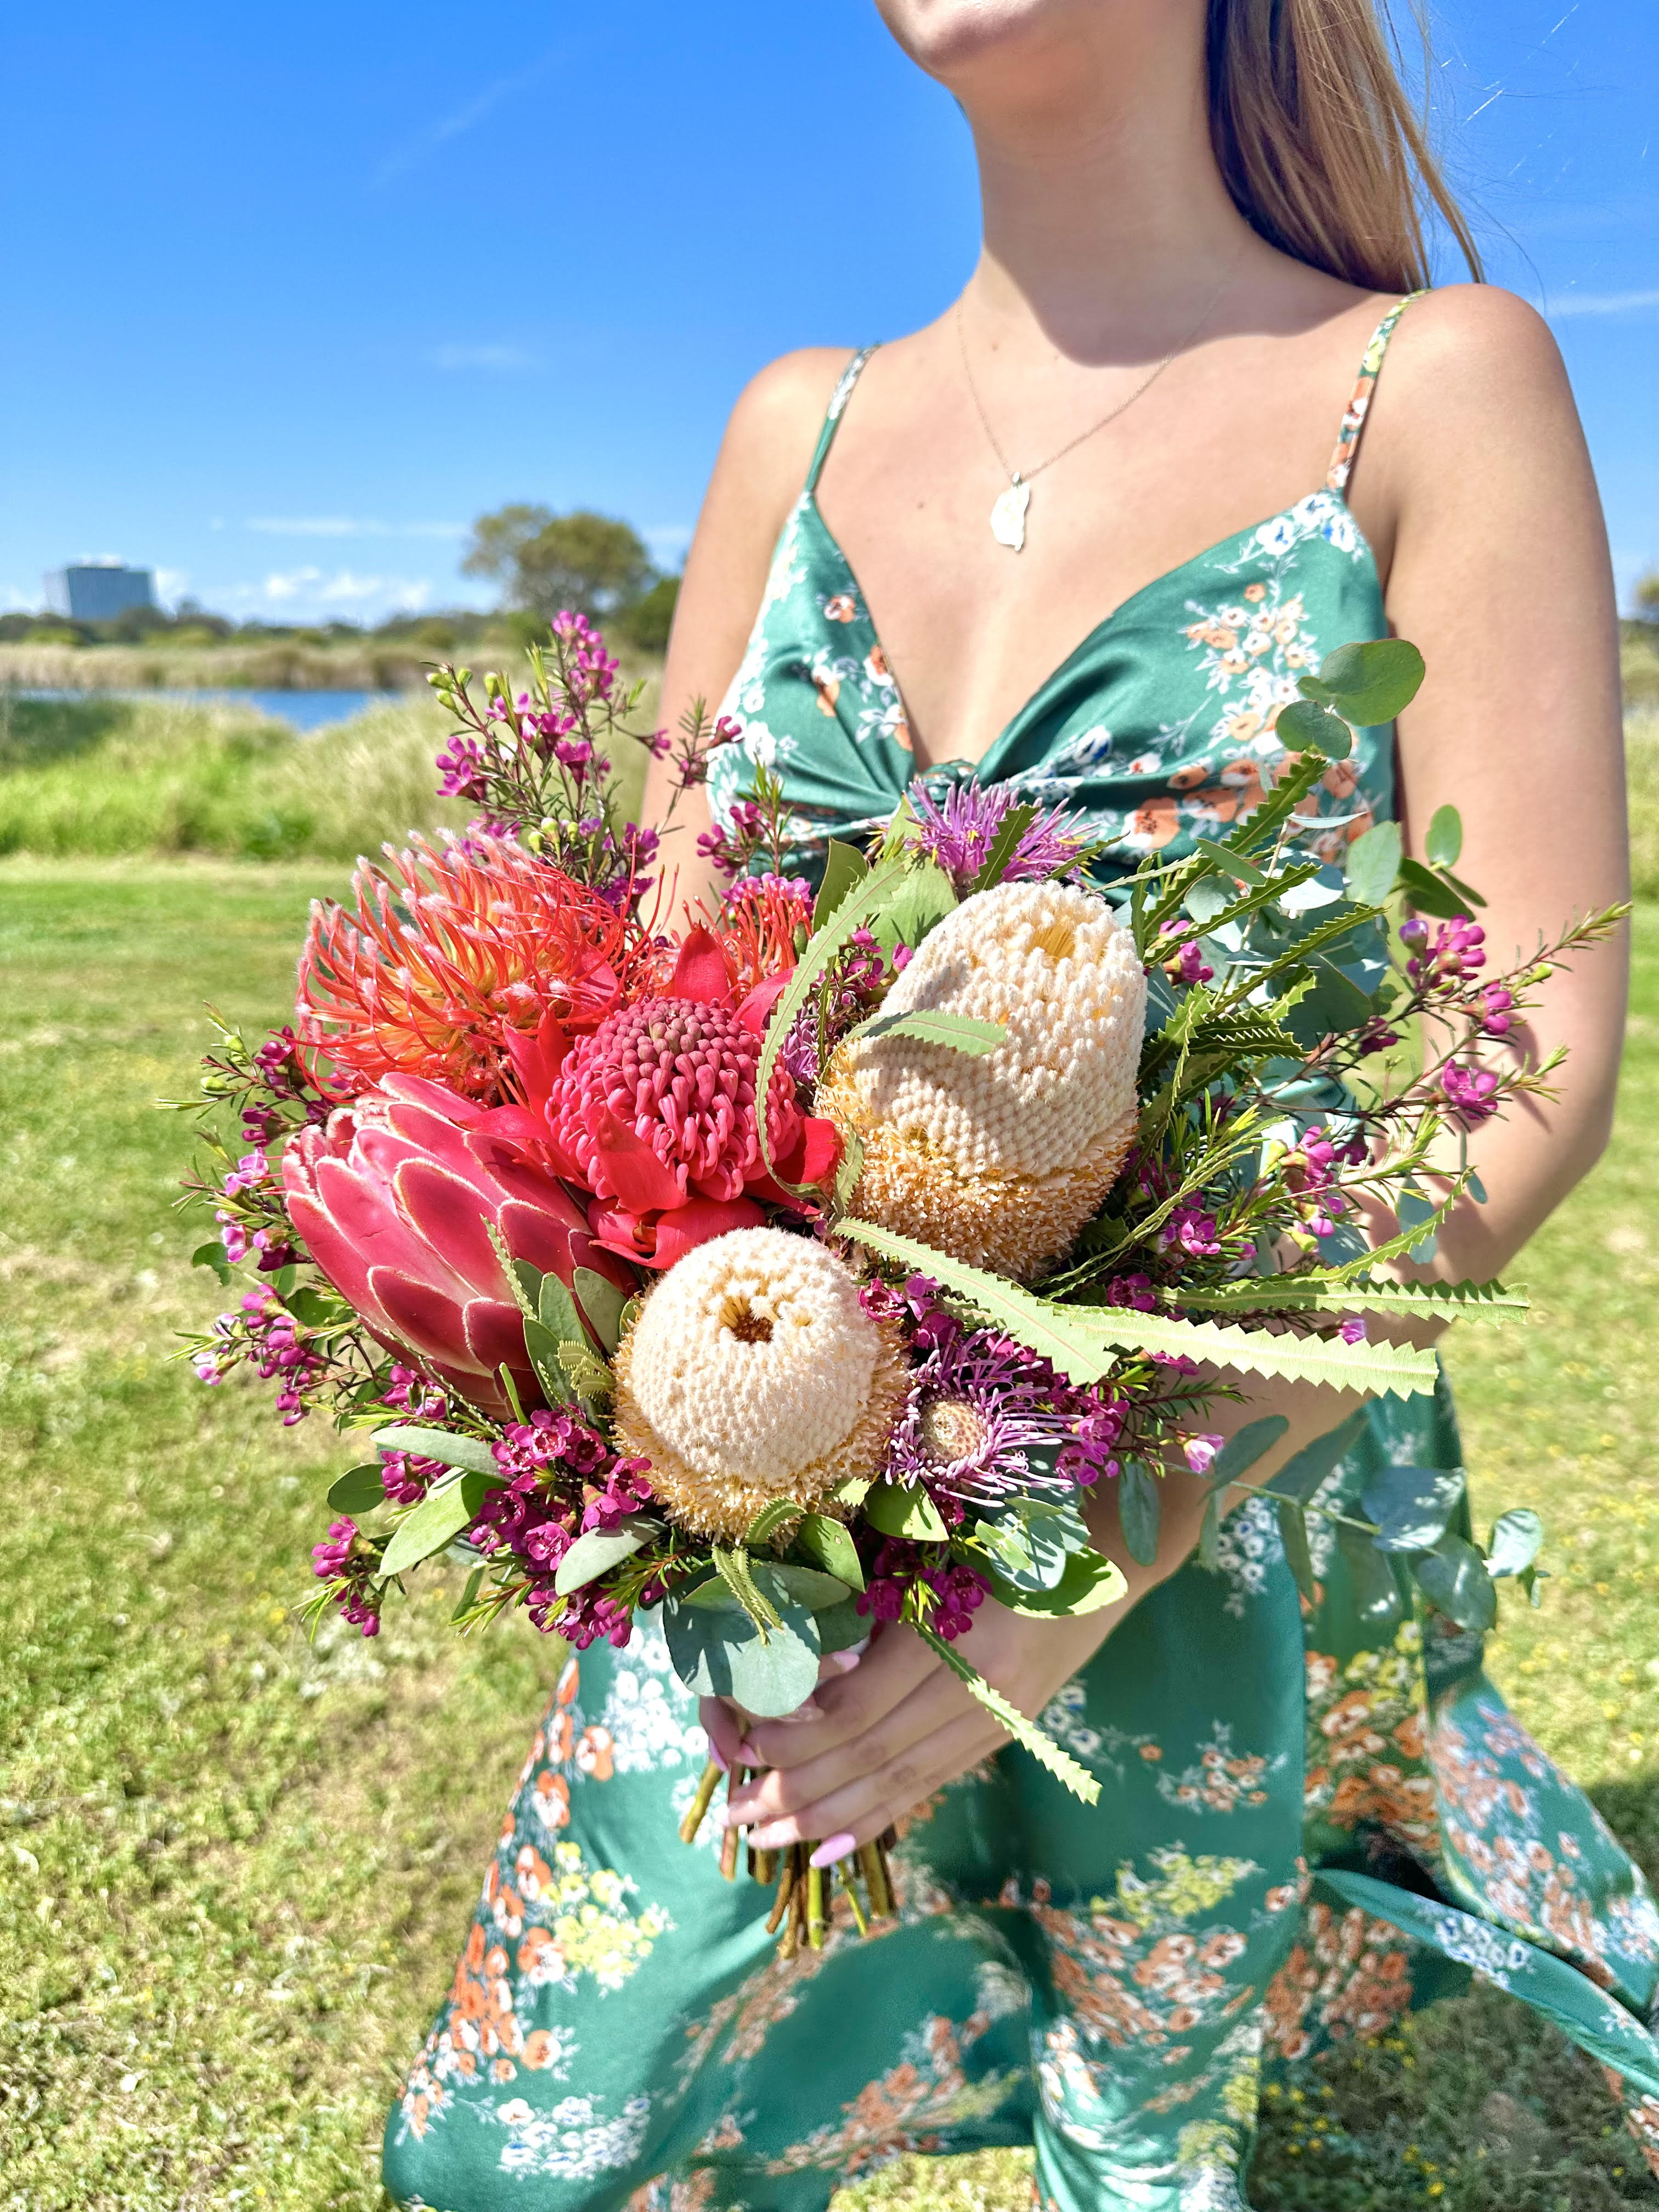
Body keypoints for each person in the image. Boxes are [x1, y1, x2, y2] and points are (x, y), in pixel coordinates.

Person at [383, 3, 1659, 2206]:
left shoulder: (1435, 383)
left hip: (1209, 1480)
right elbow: (648, 1006)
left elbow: (1514, 1078)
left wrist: (1084, 1560)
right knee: (520, 2139)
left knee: (1140, 2138)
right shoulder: (794, 426)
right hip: (776, 1486)